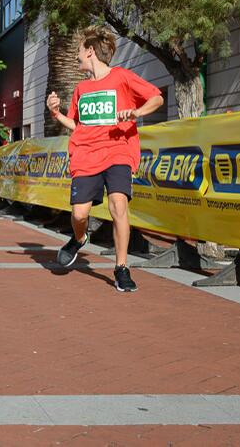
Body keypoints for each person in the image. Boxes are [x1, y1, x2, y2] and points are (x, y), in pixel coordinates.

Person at [46, 25, 164, 292]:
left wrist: (135, 113)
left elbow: (156, 98)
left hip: (118, 150)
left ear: (89, 52)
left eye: (78, 52)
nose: (76, 57)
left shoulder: (121, 77)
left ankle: (122, 268)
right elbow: (77, 125)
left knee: (118, 206)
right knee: (79, 214)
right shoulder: (81, 88)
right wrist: (55, 113)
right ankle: (78, 238)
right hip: (86, 154)